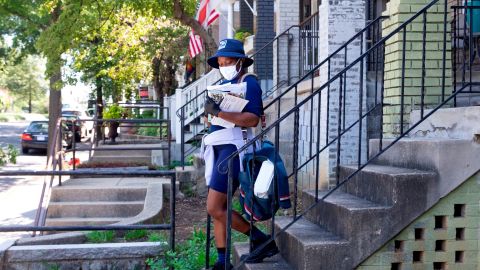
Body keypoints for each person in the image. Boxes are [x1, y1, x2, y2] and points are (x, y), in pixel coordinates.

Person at [203, 39, 278, 270]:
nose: (224, 64)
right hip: (218, 148)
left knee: (214, 207)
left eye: (228, 61)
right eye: (221, 62)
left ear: (240, 61)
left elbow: (252, 119)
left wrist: (220, 114)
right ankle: (222, 261)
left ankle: (260, 239)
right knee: (218, 209)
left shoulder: (249, 83)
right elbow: (217, 118)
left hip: (234, 150)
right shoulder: (223, 85)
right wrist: (210, 115)